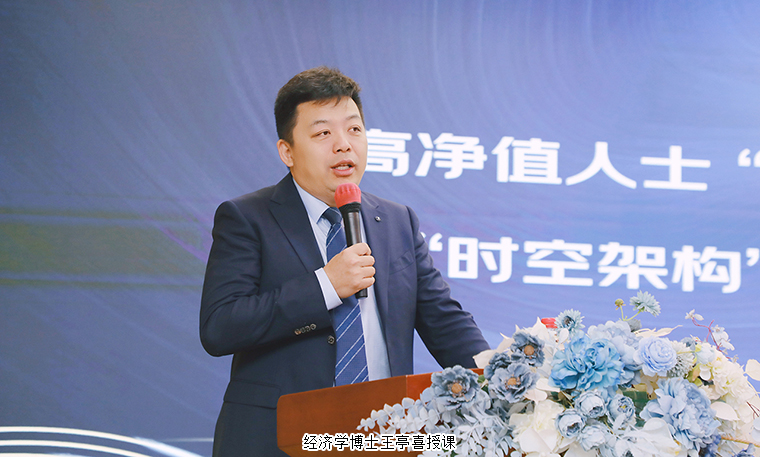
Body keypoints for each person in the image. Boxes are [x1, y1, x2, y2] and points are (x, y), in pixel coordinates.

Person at [200, 66, 489, 456]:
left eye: (354, 129)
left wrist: (504, 380)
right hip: (280, 439)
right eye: (323, 133)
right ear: (287, 151)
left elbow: (446, 322)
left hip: (382, 437)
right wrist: (326, 286)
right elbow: (220, 327)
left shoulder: (397, 221)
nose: (343, 145)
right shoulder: (248, 218)